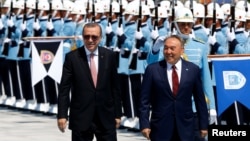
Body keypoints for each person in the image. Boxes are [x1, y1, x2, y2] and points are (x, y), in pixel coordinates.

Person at [57, 23, 122, 141]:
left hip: (105, 117)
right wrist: (62, 115)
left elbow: (115, 87)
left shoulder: (109, 56)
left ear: (100, 37)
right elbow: (64, 89)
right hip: (81, 117)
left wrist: (118, 114)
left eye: (94, 37)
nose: (90, 40)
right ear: (82, 37)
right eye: (87, 37)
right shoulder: (72, 57)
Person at [139, 35, 208, 141]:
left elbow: (200, 100)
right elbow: (144, 100)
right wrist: (144, 124)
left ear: (181, 50)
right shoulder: (153, 70)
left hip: (186, 126)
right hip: (160, 127)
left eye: (172, 48)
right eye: (166, 48)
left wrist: (203, 124)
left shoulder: (193, 69)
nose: (168, 51)